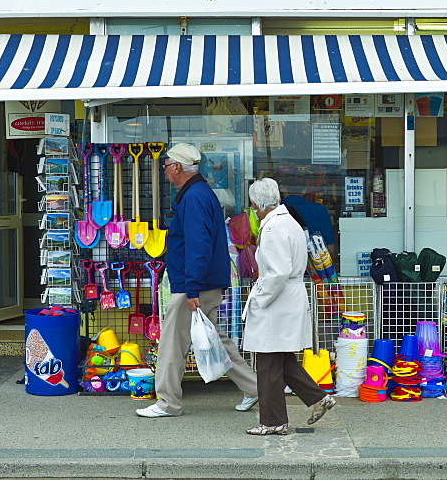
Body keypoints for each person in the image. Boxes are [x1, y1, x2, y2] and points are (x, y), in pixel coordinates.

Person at [136, 143, 259, 418]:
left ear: (177, 167)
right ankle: (254, 388)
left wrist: (191, 288)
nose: (165, 171)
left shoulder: (192, 198)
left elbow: (197, 246)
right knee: (216, 339)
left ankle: (168, 403)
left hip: (192, 286)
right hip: (205, 282)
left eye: (166, 166)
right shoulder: (202, 194)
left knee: (171, 344)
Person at [241, 178, 336, 435]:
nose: (253, 210)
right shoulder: (288, 221)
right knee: (282, 359)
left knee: (268, 363)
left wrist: (260, 300)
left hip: (276, 301)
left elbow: (277, 272)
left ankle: (273, 421)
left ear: (258, 204)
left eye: (253, 205)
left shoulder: (272, 229)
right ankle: (318, 398)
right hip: (288, 297)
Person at [280, 181, 336, 260]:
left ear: (283, 189)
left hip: (285, 263)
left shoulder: (276, 211)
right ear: (304, 190)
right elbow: (331, 248)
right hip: (315, 266)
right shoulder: (319, 209)